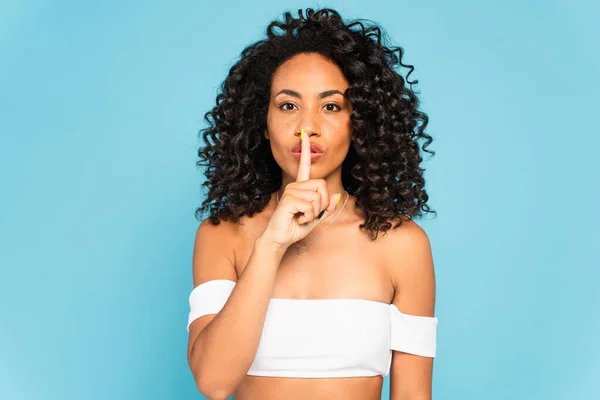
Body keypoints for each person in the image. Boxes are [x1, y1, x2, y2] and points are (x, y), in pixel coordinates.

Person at [187, 8, 438, 400]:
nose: (308, 126)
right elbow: (213, 383)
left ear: (361, 124)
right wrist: (271, 244)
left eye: (331, 106)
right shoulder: (224, 234)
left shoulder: (401, 243)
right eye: (288, 106)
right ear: (262, 122)